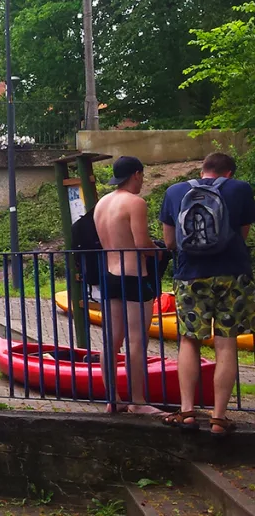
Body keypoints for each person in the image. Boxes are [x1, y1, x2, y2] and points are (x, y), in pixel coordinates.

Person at [159, 152, 255, 436]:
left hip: (190, 276)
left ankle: (187, 411)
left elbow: (169, 242)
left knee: (189, 341)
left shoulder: (175, 191)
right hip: (233, 275)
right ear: (228, 173)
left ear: (203, 169)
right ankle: (218, 418)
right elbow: (243, 234)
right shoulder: (240, 188)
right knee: (227, 343)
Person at [93, 156, 165, 416]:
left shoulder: (102, 203)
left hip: (109, 275)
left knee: (111, 341)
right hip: (134, 277)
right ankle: (137, 400)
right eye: (142, 176)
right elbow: (142, 243)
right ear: (136, 174)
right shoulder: (135, 203)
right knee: (137, 340)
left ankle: (113, 398)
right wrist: (158, 252)